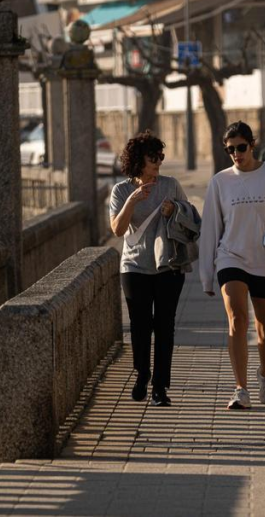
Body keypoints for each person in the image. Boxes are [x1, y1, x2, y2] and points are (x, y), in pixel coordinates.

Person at [200, 121, 265, 410]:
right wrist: (207, 275)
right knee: (237, 319)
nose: (236, 154)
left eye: (241, 147)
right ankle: (240, 389)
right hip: (230, 256)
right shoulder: (220, 182)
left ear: (252, 145)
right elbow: (210, 228)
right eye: (230, 150)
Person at [110, 131, 192, 407]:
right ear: (138, 160)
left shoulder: (170, 185)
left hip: (168, 265)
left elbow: (189, 217)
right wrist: (133, 201)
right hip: (134, 267)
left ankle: (159, 387)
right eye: (152, 158)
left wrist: (174, 210)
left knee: (165, 326)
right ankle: (142, 373)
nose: (158, 162)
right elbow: (117, 229)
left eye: (160, 157)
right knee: (140, 325)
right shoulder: (121, 191)